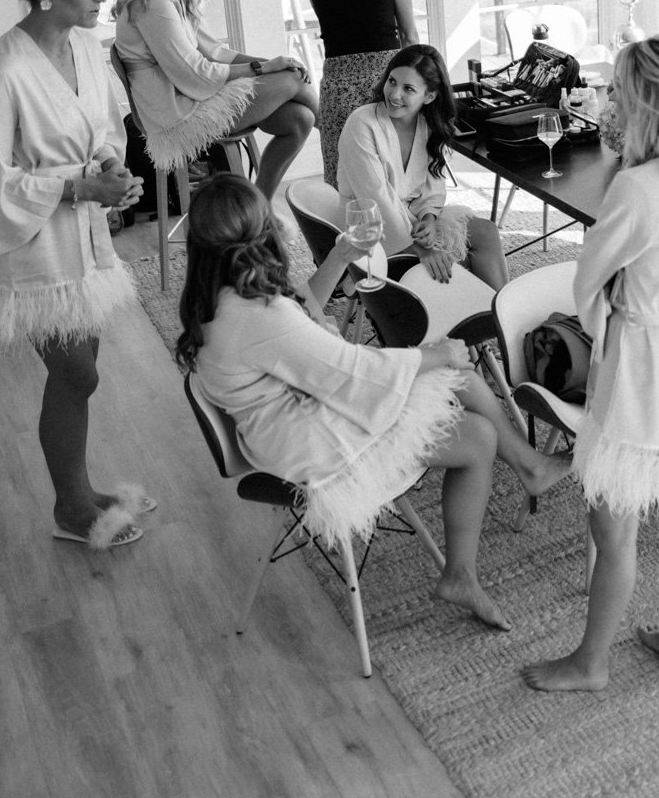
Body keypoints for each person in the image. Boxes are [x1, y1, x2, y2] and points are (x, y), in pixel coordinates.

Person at [176, 173, 571, 629]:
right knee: (472, 426)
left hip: (281, 424)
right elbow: (350, 371)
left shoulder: (219, 295)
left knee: (451, 377)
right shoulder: (257, 315)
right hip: (306, 445)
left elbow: (299, 316)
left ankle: (527, 468)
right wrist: (433, 352)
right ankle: (466, 566)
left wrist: (342, 255)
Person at [522, 33, 659, 692]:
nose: (613, 99)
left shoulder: (637, 188)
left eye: (620, 89)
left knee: (611, 517)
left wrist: (607, 316)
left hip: (640, 356)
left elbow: (588, 284)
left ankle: (590, 662)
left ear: (646, 100)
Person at [0, 0, 150, 550]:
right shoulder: (0, 69)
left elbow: (102, 130)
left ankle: (79, 490)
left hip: (86, 237)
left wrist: (111, 170)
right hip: (34, 248)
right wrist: (76, 190)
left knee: (82, 371)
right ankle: (70, 508)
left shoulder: (89, 49)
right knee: (77, 375)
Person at [113, 0, 317, 202]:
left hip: (190, 97)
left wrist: (273, 63)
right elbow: (193, 72)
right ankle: (342, 142)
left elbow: (216, 52)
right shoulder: (154, 2)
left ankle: (259, 208)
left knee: (300, 118)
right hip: (176, 115)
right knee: (295, 80)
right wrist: (266, 68)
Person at [337, 44, 507, 292]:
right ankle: (481, 317)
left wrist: (429, 218)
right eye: (392, 82)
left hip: (412, 218)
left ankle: (503, 315)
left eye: (408, 89)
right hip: (372, 229)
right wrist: (421, 249)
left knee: (486, 231)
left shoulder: (427, 125)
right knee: (460, 265)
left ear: (429, 96)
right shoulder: (361, 123)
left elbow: (432, 186)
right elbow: (374, 197)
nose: (394, 94)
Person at [305, 0, 420, 188]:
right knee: (390, 173)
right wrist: (420, 86)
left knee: (343, 175)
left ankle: (349, 232)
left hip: (337, 84)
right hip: (386, 83)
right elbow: (409, 34)